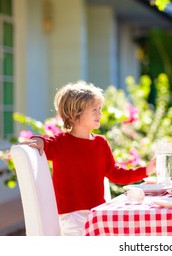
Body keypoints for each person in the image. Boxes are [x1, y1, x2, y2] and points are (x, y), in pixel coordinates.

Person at [20, 80, 156, 236]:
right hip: (71, 216)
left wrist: (146, 170)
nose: (100, 114)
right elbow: (45, 142)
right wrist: (39, 140)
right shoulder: (61, 143)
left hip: (97, 213)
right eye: (94, 110)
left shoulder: (101, 143)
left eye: (100, 109)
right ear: (76, 113)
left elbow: (117, 174)